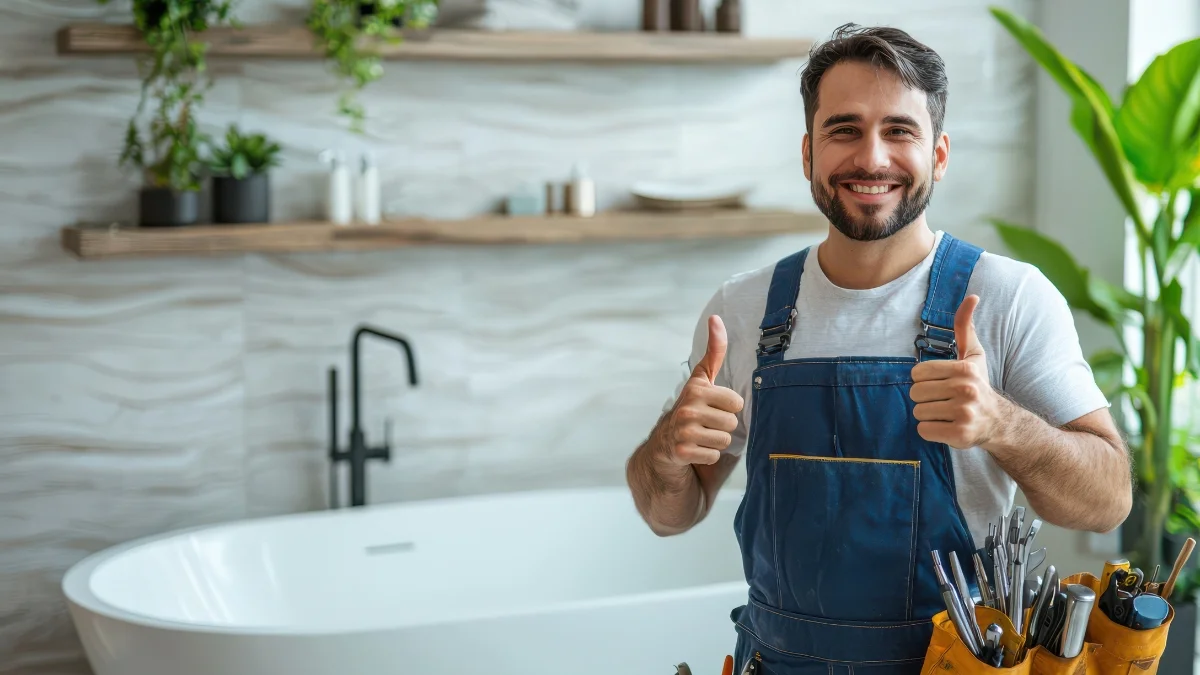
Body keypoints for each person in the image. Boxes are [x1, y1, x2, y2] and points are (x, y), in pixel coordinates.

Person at [624, 22, 1132, 674]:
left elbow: (1107, 502)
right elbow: (668, 514)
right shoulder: (743, 309)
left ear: (939, 155)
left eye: (899, 130)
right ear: (807, 153)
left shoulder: (1008, 297)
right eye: (844, 129)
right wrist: (668, 447)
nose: (871, 158)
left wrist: (1002, 425)